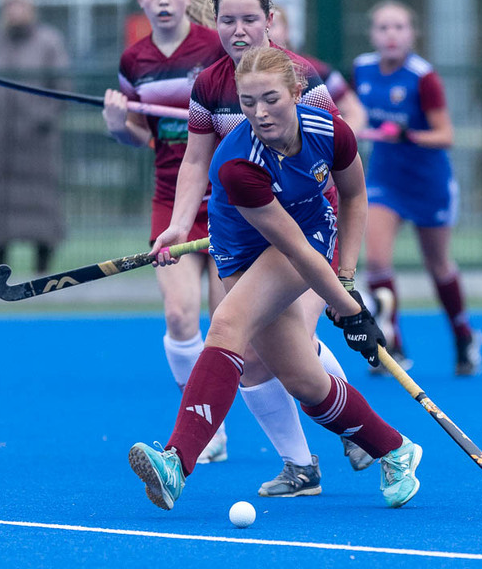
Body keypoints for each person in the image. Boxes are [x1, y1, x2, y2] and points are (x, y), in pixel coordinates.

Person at [102, 0, 370, 490]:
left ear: (270, 20)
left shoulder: (298, 78)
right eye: (228, 20)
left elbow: (337, 169)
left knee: (288, 343)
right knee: (259, 354)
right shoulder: (208, 84)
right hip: (250, 233)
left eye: (249, 19)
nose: (238, 30)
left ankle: (364, 435)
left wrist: (344, 272)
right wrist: (179, 224)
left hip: (307, 231)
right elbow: (194, 162)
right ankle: (304, 465)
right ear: (215, 22)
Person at [129, 46, 423, 512]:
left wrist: (347, 288)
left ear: (297, 92)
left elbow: (351, 198)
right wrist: (351, 311)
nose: (260, 113)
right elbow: (288, 248)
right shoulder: (238, 164)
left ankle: (175, 462)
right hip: (241, 253)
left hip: (308, 233)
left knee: (227, 326)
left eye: (271, 99)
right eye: (248, 103)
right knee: (305, 380)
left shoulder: (332, 132)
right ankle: (395, 448)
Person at [101, 0, 228, 465]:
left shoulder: (216, 46)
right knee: (178, 315)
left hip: (231, 200)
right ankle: (205, 428)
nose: (163, 0)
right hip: (172, 199)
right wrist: (118, 125)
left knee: (230, 325)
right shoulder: (134, 61)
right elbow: (141, 135)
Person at [352, 0, 482, 376]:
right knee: (377, 261)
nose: (391, 35)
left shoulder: (423, 78)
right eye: (383, 27)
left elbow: (446, 135)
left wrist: (407, 134)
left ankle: (463, 336)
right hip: (385, 181)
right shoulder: (361, 69)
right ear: (372, 34)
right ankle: (391, 345)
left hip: (428, 184)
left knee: (438, 265)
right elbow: (349, 112)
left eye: (399, 27)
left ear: (412, 33)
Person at [0, 0, 70, 274]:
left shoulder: (49, 42)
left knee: (42, 214)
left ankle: (42, 272)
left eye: (20, 2)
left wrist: (42, 116)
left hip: (36, 147)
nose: (15, 9)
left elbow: (62, 87)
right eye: (10, 3)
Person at [268, 4, 367, 135]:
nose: (266, 31)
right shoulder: (242, 73)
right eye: (260, 26)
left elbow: (355, 113)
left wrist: (336, 143)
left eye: (272, 25)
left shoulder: (313, 70)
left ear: (286, 31)